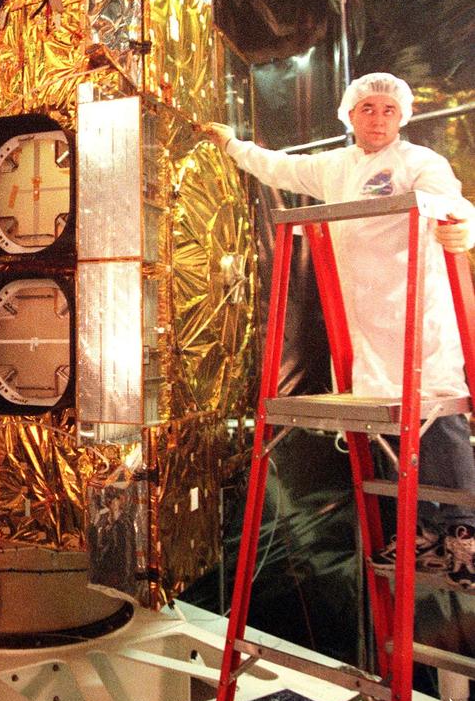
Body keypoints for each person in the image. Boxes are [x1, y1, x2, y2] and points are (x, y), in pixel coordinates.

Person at [201, 72, 475, 592]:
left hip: (420, 318)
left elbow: (451, 203)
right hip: (367, 329)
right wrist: (232, 143)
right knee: (393, 430)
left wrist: (464, 225)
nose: (377, 118)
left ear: (402, 118)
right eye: (367, 109)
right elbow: (277, 166)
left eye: (387, 111)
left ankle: (462, 534)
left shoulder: (420, 163)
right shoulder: (333, 168)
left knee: (439, 418)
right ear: (350, 115)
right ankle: (418, 533)